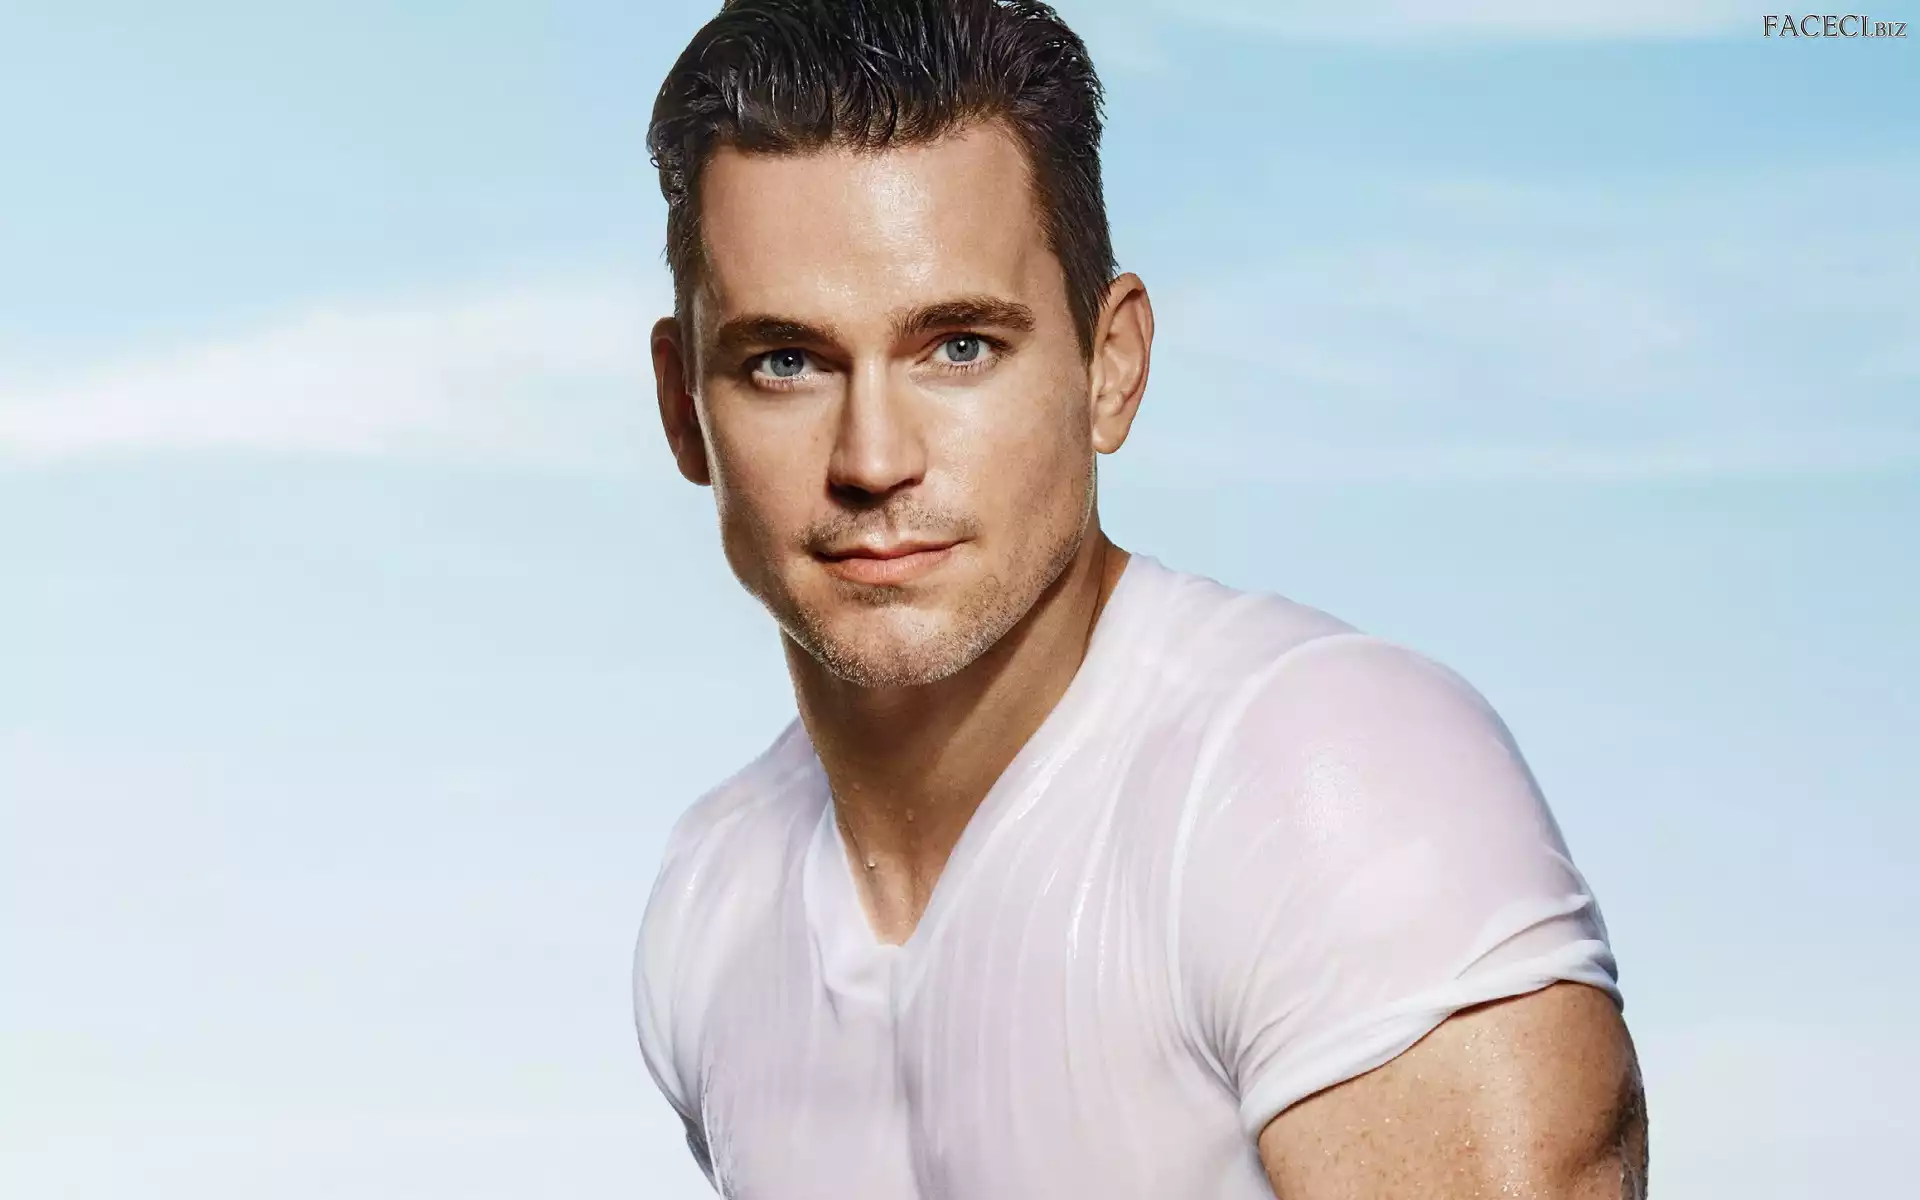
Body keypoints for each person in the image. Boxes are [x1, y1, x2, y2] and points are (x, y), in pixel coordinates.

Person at [633, 2, 1648, 1196]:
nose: (873, 459)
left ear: (1110, 365)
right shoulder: (713, 902)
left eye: (960, 346)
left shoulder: (1324, 783)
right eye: (787, 361)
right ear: (683, 407)